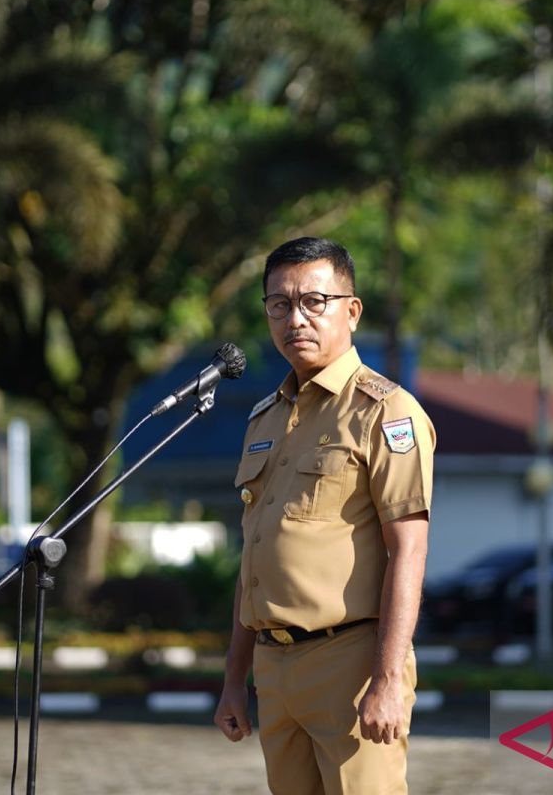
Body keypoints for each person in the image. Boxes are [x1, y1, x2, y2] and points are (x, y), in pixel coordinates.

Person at [213, 236, 435, 794]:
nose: (296, 319)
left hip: (350, 663)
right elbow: (254, 560)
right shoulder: (264, 419)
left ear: (352, 311)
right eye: (279, 305)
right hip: (275, 667)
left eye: (315, 302)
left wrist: (387, 680)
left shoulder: (385, 411)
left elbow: (408, 549)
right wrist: (234, 680)